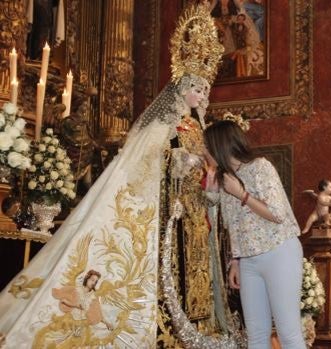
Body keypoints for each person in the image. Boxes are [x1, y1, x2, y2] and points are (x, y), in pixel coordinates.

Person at [0, 5, 241, 348]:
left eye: (205, 90)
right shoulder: (165, 124)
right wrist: (178, 159)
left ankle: (197, 324)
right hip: (168, 213)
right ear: (182, 86)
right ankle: (165, 324)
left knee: (198, 274)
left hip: (194, 215)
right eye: (197, 88)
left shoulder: (199, 127)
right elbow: (144, 162)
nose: (202, 95)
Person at [202, 120, 305, 348]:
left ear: (220, 145)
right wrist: (236, 261)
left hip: (279, 252)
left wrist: (241, 194)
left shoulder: (260, 167)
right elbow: (231, 225)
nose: (204, 152)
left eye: (206, 147)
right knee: (256, 335)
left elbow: (277, 214)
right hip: (249, 261)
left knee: (288, 332)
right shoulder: (224, 178)